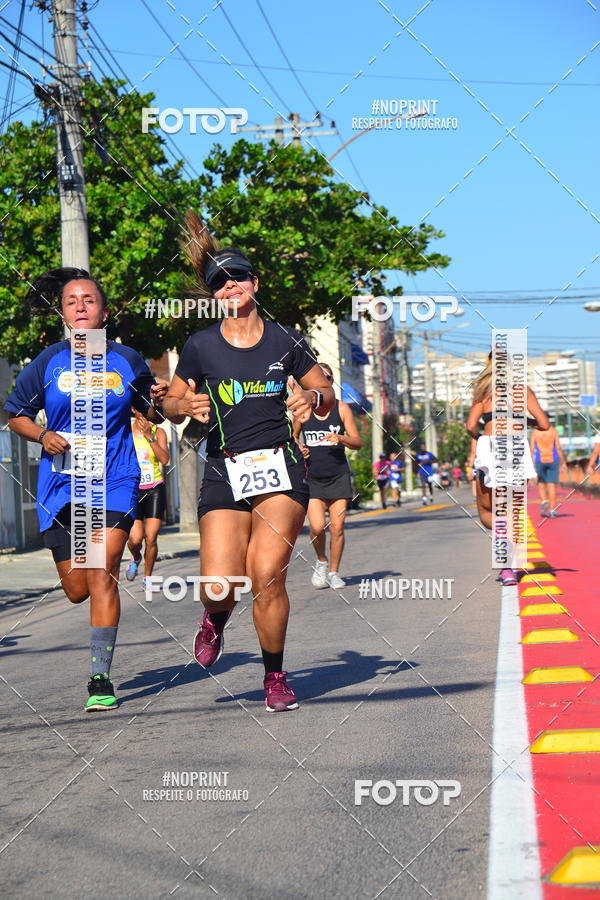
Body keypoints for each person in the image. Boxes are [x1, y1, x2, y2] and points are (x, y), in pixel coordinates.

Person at [162, 214, 334, 712]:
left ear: (254, 283)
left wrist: (311, 399)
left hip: (280, 466)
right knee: (220, 586)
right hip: (224, 467)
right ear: (213, 294)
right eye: (220, 282)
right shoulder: (200, 346)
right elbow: (170, 403)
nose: (230, 286)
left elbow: (325, 390)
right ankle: (215, 618)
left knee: (266, 575)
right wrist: (183, 405)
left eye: (237, 277)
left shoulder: (285, 339)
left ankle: (274, 676)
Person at [5, 268, 166, 711]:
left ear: (104, 312)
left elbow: (151, 411)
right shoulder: (48, 362)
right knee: (78, 587)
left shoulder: (127, 359)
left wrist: (160, 401)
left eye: (89, 300)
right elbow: (16, 414)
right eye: (72, 301)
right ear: (62, 313)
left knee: (102, 570)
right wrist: (42, 435)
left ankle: (100, 677)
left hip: (115, 479)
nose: (80, 306)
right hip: (62, 486)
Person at [466, 352, 549, 586]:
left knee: (487, 510)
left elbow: (470, 426)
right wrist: (525, 421)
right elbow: (544, 424)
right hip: (516, 448)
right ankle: (509, 570)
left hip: (491, 447)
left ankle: (503, 547)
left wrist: (481, 436)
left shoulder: (483, 391)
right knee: (512, 511)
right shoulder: (523, 390)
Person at [292, 362, 362, 589]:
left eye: (328, 377)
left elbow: (357, 441)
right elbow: (292, 437)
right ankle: (321, 561)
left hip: (338, 475)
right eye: (320, 377)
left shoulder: (342, 408)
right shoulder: (304, 410)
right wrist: (299, 448)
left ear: (331, 382)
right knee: (316, 527)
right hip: (312, 476)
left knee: (337, 527)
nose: (324, 380)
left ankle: (334, 572)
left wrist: (341, 438)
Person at [125, 409, 170, 588]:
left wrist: (150, 436)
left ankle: (148, 578)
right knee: (135, 539)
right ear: (134, 410)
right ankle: (136, 557)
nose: (147, 415)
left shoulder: (159, 432)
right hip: (133, 490)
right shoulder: (126, 431)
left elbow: (164, 459)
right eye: (143, 410)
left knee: (151, 538)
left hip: (154, 489)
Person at [530, 416, 567, 518]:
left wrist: (531, 464)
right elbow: (558, 447)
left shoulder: (535, 432)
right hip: (552, 460)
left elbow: (532, 449)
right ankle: (552, 510)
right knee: (552, 485)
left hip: (540, 460)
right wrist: (563, 462)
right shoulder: (553, 431)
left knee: (541, 483)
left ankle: (544, 501)